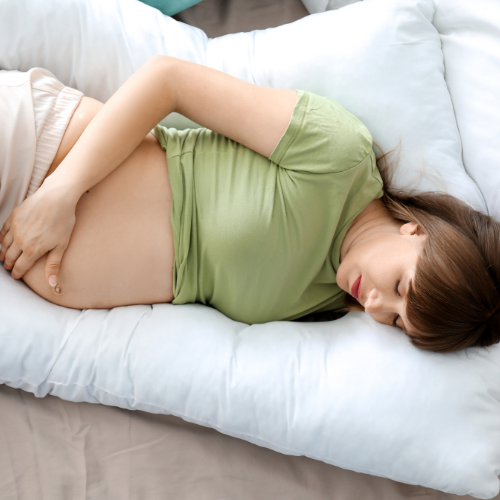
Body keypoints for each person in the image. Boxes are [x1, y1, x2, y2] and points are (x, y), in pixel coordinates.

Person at [0, 56, 498, 354]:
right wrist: (58, 196)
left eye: (394, 320)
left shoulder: (325, 304)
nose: (374, 306)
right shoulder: (339, 159)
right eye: (400, 287)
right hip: (36, 150)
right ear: (417, 232)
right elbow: (168, 80)